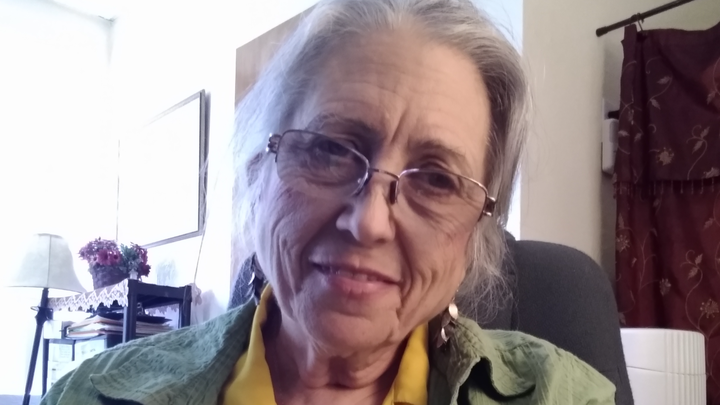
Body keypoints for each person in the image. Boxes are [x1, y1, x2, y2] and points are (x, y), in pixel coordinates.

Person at [41, 0, 616, 404]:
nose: (369, 223)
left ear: (475, 235)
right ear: (260, 171)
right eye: (331, 150)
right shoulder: (90, 395)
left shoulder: (564, 397)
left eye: (438, 181)